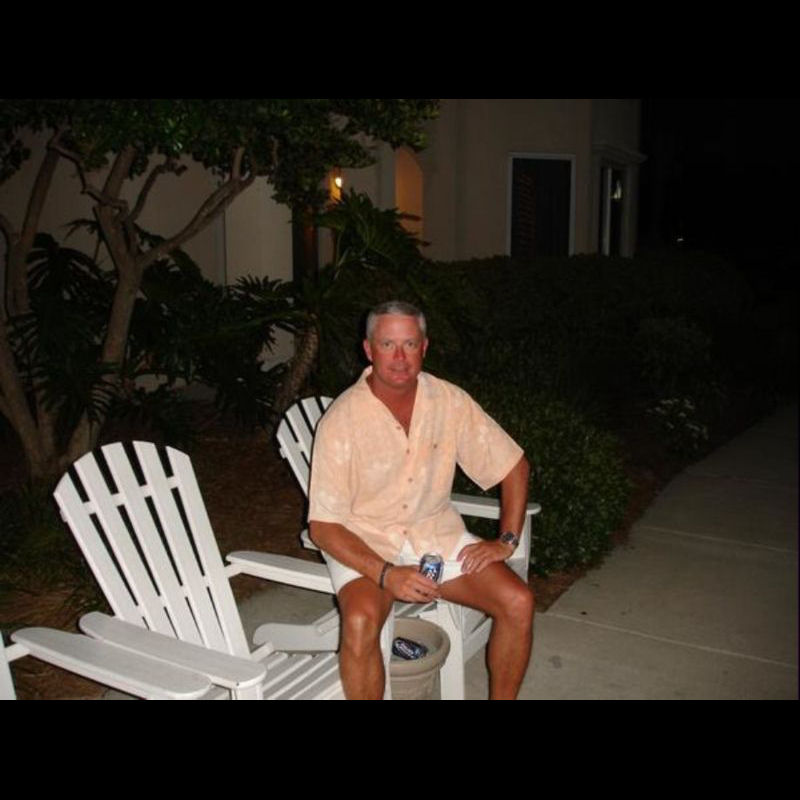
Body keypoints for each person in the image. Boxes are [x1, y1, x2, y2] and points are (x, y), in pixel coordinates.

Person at [308, 300, 534, 699]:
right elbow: (323, 527)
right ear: (368, 349)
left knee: (518, 602)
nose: (400, 357)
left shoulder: (448, 401)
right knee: (359, 623)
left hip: (435, 535)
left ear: (424, 348)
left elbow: (513, 465)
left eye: (409, 344)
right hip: (365, 541)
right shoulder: (342, 420)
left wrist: (507, 540)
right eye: (388, 344)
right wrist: (386, 574)